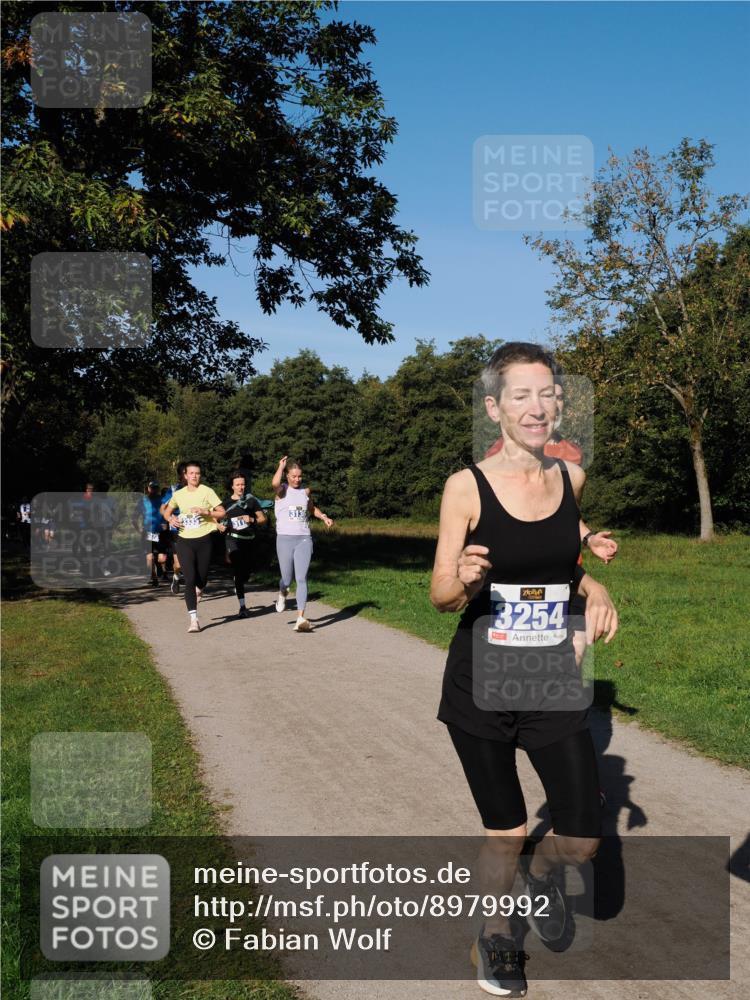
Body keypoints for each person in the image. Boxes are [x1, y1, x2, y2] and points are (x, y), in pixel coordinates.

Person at [431, 342, 618, 997]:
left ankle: (542, 874)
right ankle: (496, 935)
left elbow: (562, 548)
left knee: (584, 843)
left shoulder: (571, 478)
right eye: (521, 396)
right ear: (495, 407)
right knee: (506, 833)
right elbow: (441, 595)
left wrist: (590, 581)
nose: (537, 407)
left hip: (550, 680)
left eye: (547, 394)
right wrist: (463, 578)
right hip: (481, 683)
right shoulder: (466, 487)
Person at [486, 369, 618, 667]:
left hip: (565, 576)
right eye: (547, 396)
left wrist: (588, 537)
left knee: (575, 650)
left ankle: (556, 705)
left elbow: (566, 514)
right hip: (517, 577)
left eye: (557, 398)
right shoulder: (499, 452)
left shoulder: (572, 454)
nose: (552, 405)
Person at [272, 456, 333, 632]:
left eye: (299, 476)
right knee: (287, 577)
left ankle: (300, 618)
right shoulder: (282, 490)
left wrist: (323, 517)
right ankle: (282, 590)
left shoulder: (305, 492)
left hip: (304, 538)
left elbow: (312, 508)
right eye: (293, 476)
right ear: (287, 476)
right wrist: (280, 466)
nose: (297, 479)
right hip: (284, 538)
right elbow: (275, 484)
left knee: (301, 578)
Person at [163, 461, 225, 633]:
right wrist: (171, 519)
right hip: (184, 540)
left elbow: (222, 512)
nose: (195, 476)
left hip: (204, 539)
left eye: (197, 473)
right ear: (185, 475)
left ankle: (201, 587)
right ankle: (193, 620)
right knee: (189, 579)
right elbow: (167, 511)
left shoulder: (207, 491)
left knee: (201, 578)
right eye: (191, 473)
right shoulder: (179, 494)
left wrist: (206, 512)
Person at [216, 470, 267, 618]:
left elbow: (262, 519)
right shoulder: (225, 504)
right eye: (237, 484)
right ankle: (243, 607)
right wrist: (218, 525)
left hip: (249, 540)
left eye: (243, 484)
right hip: (233, 539)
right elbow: (213, 516)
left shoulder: (251, 500)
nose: (241, 487)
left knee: (246, 574)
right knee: (238, 572)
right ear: (232, 486)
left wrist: (251, 520)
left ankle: (239, 579)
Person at [160, 462, 187, 594]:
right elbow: (162, 509)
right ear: (181, 476)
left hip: (195, 529)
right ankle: (176, 577)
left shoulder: (200, 489)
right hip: (177, 530)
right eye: (186, 474)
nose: (190, 477)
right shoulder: (173, 490)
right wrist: (171, 518)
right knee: (179, 564)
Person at [137, 481, 169, 587]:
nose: (154, 490)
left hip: (160, 532)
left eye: (156, 488)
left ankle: (161, 570)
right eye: (152, 488)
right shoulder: (142, 501)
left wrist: (166, 523)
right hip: (147, 532)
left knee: (161, 557)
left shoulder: (162, 500)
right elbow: (134, 517)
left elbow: (169, 513)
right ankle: (153, 576)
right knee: (149, 556)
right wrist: (138, 529)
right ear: (148, 489)